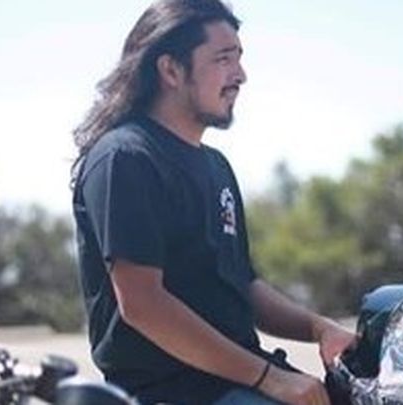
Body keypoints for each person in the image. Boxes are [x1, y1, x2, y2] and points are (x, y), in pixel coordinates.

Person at [71, 1, 355, 404]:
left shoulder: (215, 166)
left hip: (237, 383)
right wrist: (270, 378)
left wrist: (319, 328)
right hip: (173, 393)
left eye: (239, 58)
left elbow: (244, 285)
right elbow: (143, 303)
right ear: (171, 70)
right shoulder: (125, 158)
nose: (240, 75)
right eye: (223, 59)